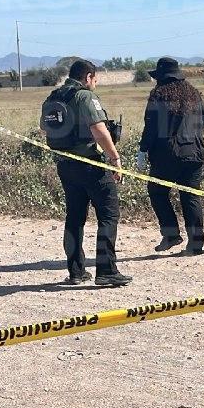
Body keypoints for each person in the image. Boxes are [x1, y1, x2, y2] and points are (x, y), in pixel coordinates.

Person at [40, 59, 132, 286]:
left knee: (75, 219)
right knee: (108, 216)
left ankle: (76, 272)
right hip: (92, 165)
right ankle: (106, 271)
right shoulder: (85, 96)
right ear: (88, 77)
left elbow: (44, 127)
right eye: (95, 80)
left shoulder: (54, 97)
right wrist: (115, 159)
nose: (95, 84)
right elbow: (99, 130)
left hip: (66, 165)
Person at [135, 57, 204, 255]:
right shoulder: (192, 92)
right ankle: (195, 244)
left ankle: (171, 234)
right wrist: (193, 132)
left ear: (161, 77)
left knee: (157, 192)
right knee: (190, 197)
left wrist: (143, 150)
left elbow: (150, 128)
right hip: (194, 153)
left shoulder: (158, 96)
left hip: (166, 155)